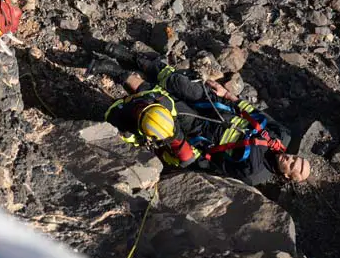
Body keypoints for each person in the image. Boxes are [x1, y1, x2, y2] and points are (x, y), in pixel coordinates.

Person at [88, 47, 311, 186]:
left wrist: (182, 148)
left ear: (287, 177)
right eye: (294, 158)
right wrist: (228, 95)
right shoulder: (282, 136)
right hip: (218, 106)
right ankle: (133, 56)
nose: (289, 160)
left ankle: (118, 72)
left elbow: (214, 165)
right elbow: (255, 113)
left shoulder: (254, 174)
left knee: (160, 103)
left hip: (200, 129)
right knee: (177, 82)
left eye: (292, 166)